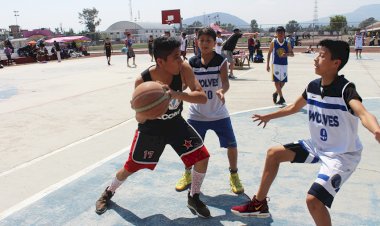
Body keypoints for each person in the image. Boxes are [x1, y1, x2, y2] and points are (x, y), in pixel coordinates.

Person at [231, 39, 380, 226]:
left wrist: (376, 130)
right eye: (317, 54)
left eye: (322, 55)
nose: (316, 59)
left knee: (314, 201)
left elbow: (363, 113)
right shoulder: (313, 87)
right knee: (273, 154)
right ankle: (259, 204)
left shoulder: (345, 90)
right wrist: (270, 116)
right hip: (317, 146)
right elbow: (293, 107)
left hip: (341, 155)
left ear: (336, 63)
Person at [95, 36, 212, 218]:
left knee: (202, 157)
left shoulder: (183, 69)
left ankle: (194, 196)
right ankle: (108, 192)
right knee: (131, 167)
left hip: (175, 123)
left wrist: (175, 94)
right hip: (152, 129)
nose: (181, 59)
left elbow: (202, 97)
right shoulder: (143, 81)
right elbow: (139, 119)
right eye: (176, 57)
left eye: (180, 55)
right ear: (160, 61)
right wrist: (144, 109)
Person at [175, 27, 244, 195]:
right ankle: (187, 174)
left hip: (219, 113)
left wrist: (222, 91)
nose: (205, 43)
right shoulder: (191, 62)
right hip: (196, 114)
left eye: (208, 41)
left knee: (232, 145)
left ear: (214, 43)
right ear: (197, 42)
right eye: (202, 40)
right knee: (189, 147)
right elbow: (186, 84)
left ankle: (234, 175)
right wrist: (176, 92)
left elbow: (225, 82)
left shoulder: (221, 60)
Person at [267, 26, 294, 105]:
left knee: (283, 82)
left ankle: (275, 93)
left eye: (282, 33)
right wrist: (267, 65)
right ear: (276, 34)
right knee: (276, 81)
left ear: (284, 34)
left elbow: (292, 54)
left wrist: (286, 54)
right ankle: (281, 98)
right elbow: (269, 53)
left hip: (284, 64)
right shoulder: (274, 42)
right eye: (278, 33)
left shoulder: (287, 43)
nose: (280, 34)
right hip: (275, 64)